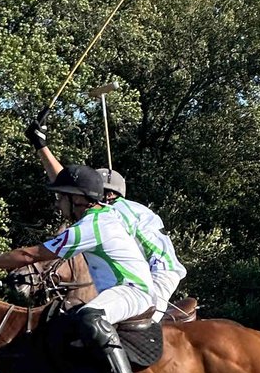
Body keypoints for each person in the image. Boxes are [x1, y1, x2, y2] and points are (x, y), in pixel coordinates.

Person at [0, 165, 152, 373]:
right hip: (120, 290)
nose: (57, 204)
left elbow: (30, 255)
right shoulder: (99, 216)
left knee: (90, 316)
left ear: (79, 199)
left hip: (134, 290)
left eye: (61, 197)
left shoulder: (92, 226)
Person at [26, 119, 186, 320]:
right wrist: (41, 147)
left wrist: (42, 147)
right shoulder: (115, 211)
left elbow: (65, 183)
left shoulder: (113, 213)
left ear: (105, 195)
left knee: (137, 326)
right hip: (137, 274)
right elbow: (65, 183)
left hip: (157, 274)